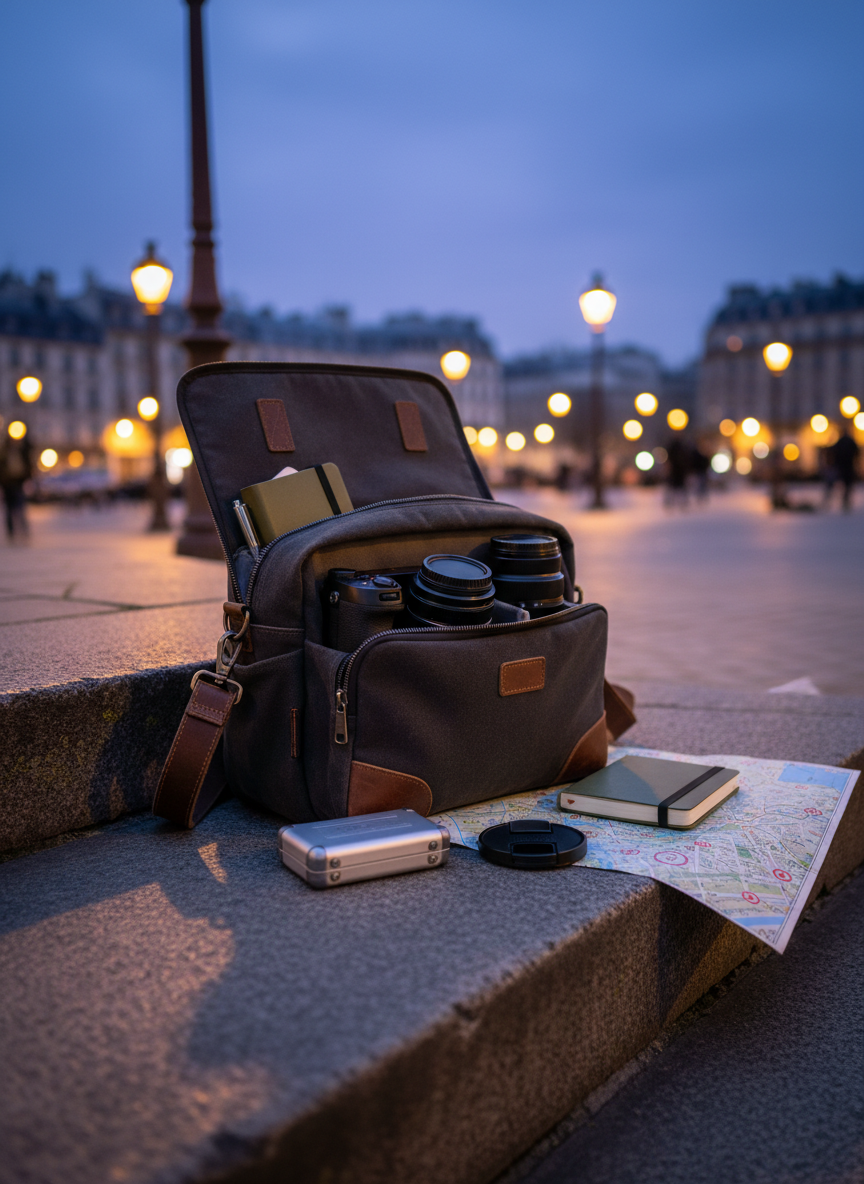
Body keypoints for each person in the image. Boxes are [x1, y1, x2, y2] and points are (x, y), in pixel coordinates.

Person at [0, 432, 33, 539]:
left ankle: (23, 529)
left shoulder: (22, 450)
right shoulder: (4, 453)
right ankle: (11, 532)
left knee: (21, 506)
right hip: (8, 483)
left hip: (19, 482)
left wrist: (27, 479)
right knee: (9, 509)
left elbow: (28, 465)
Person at [829, 427, 860, 512]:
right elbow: (857, 452)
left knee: (836, 484)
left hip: (842, 466)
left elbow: (833, 453)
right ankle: (845, 501)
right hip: (847, 466)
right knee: (847, 485)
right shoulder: (849, 441)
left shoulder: (840, 442)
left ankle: (837, 501)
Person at [664, 437, 690, 508]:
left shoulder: (675, 450)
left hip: (676, 472)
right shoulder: (683, 449)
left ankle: (671, 502)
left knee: (674, 488)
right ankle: (682, 502)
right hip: (678, 472)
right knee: (679, 488)